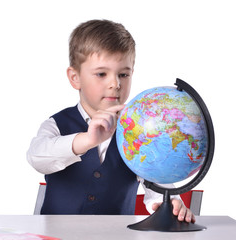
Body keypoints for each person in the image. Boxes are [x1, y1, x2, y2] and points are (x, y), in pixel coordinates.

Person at [27, 19, 195, 223]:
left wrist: (171, 204)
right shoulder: (56, 124)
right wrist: (87, 140)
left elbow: (159, 188)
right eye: (101, 74)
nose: (115, 83)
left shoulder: (140, 132)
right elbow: (37, 157)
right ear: (75, 77)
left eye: (123, 74)